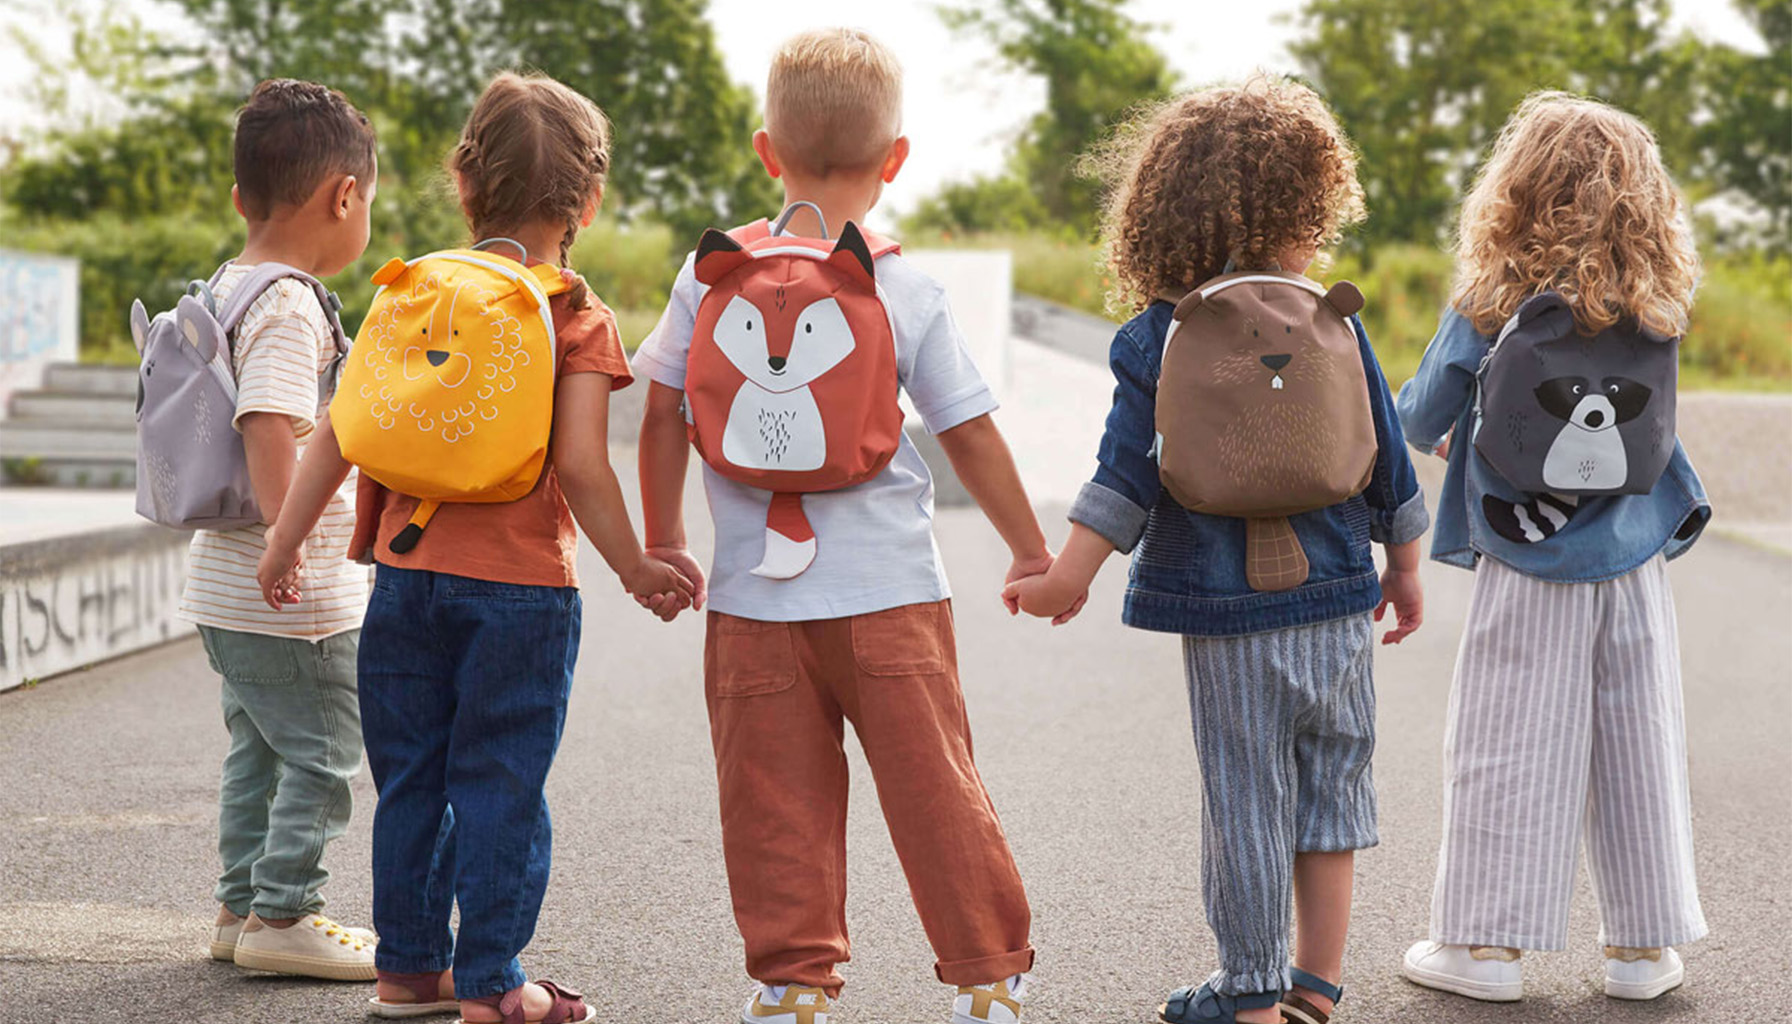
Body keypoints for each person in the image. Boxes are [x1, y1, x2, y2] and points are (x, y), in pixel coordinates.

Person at [259, 71, 691, 1023]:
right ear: (589, 200)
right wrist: (639, 566)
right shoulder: (574, 312)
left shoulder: (410, 292)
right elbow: (581, 465)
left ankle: (409, 968)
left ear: (464, 184)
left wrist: (287, 540)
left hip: (405, 587)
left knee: (412, 780)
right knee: (500, 782)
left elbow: (340, 430)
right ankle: (495, 982)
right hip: (522, 595)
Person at [633, 28, 1045, 1024]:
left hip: (750, 602)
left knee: (773, 800)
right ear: (895, 162)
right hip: (892, 594)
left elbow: (657, 413)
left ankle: (793, 981)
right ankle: (986, 976)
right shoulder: (898, 284)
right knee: (935, 786)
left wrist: (663, 540)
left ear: (765, 151)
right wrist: (1031, 550)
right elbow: (971, 433)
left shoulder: (710, 274)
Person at [1006, 77, 1429, 1024]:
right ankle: (1315, 985)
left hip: (1228, 622)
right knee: (1332, 792)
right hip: (1337, 603)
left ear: (1161, 209)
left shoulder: (1162, 332)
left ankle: (1249, 997)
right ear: (1310, 203)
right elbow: (1386, 462)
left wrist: (1063, 576)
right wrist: (1402, 570)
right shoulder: (1333, 317)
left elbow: (1126, 474)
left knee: (1248, 807)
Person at [1396, 92, 1710, 1005]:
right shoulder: (1658, 306)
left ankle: (1486, 949)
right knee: (1639, 742)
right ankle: (1643, 951)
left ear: (1515, 192)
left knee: (1507, 741)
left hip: (1525, 557)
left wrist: (1475, 426)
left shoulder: (1494, 299)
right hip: (1634, 556)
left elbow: (1421, 416)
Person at [187, 77, 380, 982]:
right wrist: (290, 540)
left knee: (260, 749)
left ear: (241, 199)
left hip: (221, 588)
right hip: (287, 595)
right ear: (346, 196)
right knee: (327, 754)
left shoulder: (224, 286)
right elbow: (269, 419)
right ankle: (284, 913)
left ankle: (237, 907)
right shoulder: (293, 304)